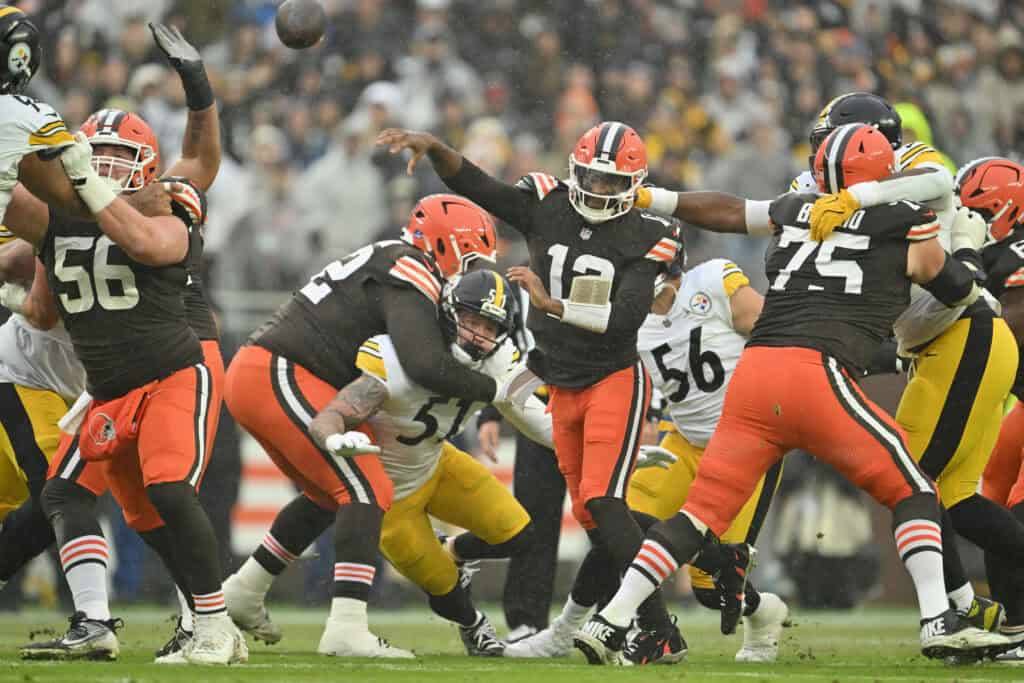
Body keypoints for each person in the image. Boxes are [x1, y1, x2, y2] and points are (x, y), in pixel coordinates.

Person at [573, 123, 1010, 664]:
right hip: (817, 374)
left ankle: (613, 618)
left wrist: (652, 196)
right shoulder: (907, 221)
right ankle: (938, 617)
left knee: (695, 516)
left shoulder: (798, 210)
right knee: (915, 487)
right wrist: (966, 242)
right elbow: (958, 289)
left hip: (756, 377)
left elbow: (732, 212)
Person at [379, 121, 687, 664]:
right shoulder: (548, 203)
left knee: (602, 501)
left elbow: (623, 320)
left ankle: (656, 627)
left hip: (612, 376)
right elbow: (482, 188)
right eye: (592, 176)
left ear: (635, 183)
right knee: (596, 516)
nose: (600, 189)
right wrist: (436, 150)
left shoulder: (649, 233)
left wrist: (550, 305)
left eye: (614, 182)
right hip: (557, 382)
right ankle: (657, 568)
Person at [221, 194, 528, 658]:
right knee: (365, 485)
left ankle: (243, 591)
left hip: (275, 373)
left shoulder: (397, 261)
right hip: (280, 370)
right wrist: (497, 392)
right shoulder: (411, 270)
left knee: (329, 495)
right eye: (469, 256)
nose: (471, 269)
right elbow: (423, 364)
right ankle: (346, 628)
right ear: (444, 245)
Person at [298, 269, 549, 656]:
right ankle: (473, 625)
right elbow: (331, 414)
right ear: (448, 314)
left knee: (521, 536)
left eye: (489, 325)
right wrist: (334, 436)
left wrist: (602, 449)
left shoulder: (502, 360)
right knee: (443, 586)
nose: (478, 334)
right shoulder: (395, 355)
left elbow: (542, 418)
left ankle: (454, 550)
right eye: (470, 320)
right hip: (391, 497)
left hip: (438, 462)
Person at [626, 253, 789, 663]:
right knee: (622, 524)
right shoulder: (629, 319)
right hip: (682, 439)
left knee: (710, 588)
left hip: (746, 447)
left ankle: (763, 612)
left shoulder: (713, 279)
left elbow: (771, 328)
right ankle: (653, 632)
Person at [955, 157, 1024, 662]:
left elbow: (1014, 321)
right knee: (989, 505)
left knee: (1015, 512)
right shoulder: (995, 255)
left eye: (976, 210)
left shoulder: (1009, 257)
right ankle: (1016, 625)